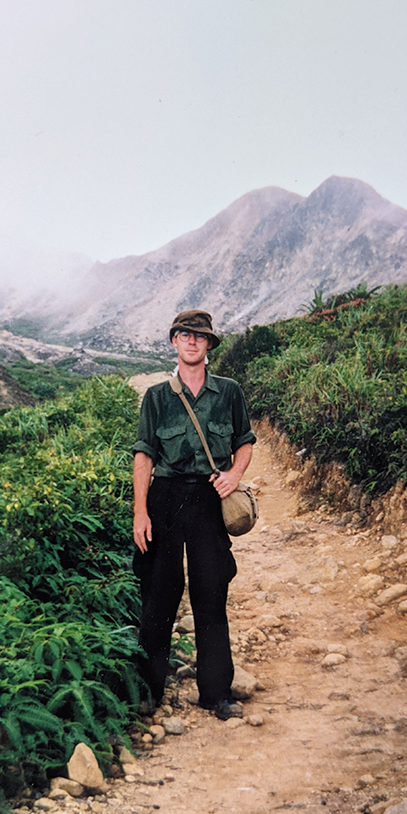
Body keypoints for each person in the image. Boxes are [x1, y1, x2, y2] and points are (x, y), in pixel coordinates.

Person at [131, 309, 255, 721]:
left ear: (208, 345)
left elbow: (245, 441)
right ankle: (149, 691)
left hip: (208, 500)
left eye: (199, 336)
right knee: (159, 596)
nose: (191, 341)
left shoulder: (229, 392)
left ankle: (217, 693)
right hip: (165, 500)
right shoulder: (157, 397)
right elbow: (144, 456)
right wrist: (140, 513)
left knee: (210, 592)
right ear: (173, 342)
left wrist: (234, 475)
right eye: (184, 335)